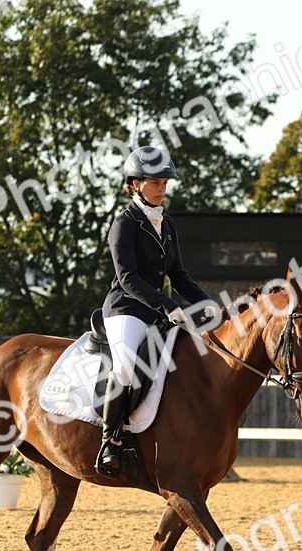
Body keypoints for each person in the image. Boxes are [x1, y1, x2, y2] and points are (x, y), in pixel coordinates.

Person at [95, 146, 212, 478]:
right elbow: (128, 278)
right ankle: (110, 440)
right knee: (127, 368)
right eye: (155, 182)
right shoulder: (124, 224)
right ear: (135, 184)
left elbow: (179, 276)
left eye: (165, 182)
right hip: (125, 310)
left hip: (156, 313)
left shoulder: (168, 225)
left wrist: (209, 307)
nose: (162, 188)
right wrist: (168, 305)